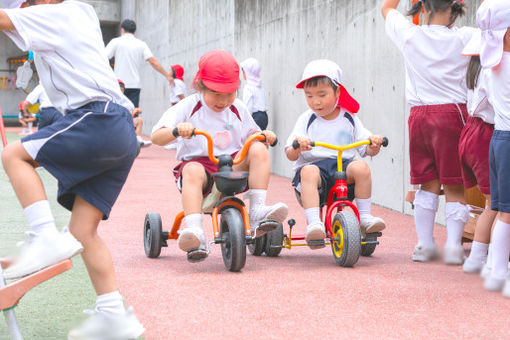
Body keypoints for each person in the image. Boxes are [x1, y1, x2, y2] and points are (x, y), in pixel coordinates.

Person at [0, 1, 145, 338]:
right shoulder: (81, 11)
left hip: (99, 117)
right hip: (121, 131)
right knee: (83, 233)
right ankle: (113, 315)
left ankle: (44, 236)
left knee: (13, 156)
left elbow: (5, 19)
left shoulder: (58, 13)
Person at [151, 49, 288, 262]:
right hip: (201, 168)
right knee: (193, 170)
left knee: (258, 147)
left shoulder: (238, 107)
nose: (224, 101)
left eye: (229, 93)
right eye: (216, 93)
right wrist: (177, 130)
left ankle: (257, 210)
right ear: (200, 86)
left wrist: (263, 136)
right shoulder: (188, 106)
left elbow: (252, 134)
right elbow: (156, 136)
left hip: (232, 166)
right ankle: (195, 231)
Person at [382, 0, 476, 265]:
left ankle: (424, 245)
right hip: (453, 115)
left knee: (426, 183)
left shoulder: (409, 35)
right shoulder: (465, 37)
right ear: (456, 10)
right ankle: (454, 248)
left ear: (422, 8)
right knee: (456, 184)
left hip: (419, 117)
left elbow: (387, 9)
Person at [285, 59, 385, 248]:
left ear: (337, 92)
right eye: (309, 96)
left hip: (342, 170)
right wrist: (297, 147)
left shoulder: (349, 117)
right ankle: (315, 224)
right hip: (315, 177)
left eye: (322, 94)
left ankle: (364, 218)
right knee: (309, 171)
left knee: (361, 167)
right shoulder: (306, 119)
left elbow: (366, 149)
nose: (316, 101)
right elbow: (290, 153)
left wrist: (375, 144)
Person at [477, 0, 510, 298]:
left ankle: (495, 269)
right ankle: (500, 272)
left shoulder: (490, 67)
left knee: (501, 210)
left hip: (499, 140)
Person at [458, 31, 498, 274]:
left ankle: (480, 257)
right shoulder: (490, 74)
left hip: (473, 132)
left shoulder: (475, 72)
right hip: (486, 134)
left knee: (492, 203)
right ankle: (483, 257)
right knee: (496, 204)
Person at [105, 19, 173, 107]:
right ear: (135, 31)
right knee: (134, 114)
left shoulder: (116, 42)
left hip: (119, 84)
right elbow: (153, 62)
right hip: (134, 85)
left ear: (122, 30)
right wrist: (167, 75)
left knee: (118, 112)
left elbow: (103, 58)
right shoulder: (141, 44)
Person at [118, 78, 151, 147]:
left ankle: (138, 139)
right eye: (119, 90)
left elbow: (132, 108)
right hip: (115, 121)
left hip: (125, 121)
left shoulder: (125, 100)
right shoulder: (111, 98)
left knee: (139, 120)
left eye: (122, 90)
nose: (120, 92)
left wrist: (136, 110)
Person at [240, 57, 268, 130]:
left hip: (255, 117)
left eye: (243, 72)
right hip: (264, 116)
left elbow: (248, 106)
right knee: (261, 138)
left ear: (247, 72)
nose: (243, 74)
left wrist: (245, 121)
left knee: (253, 139)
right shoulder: (260, 86)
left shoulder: (248, 87)